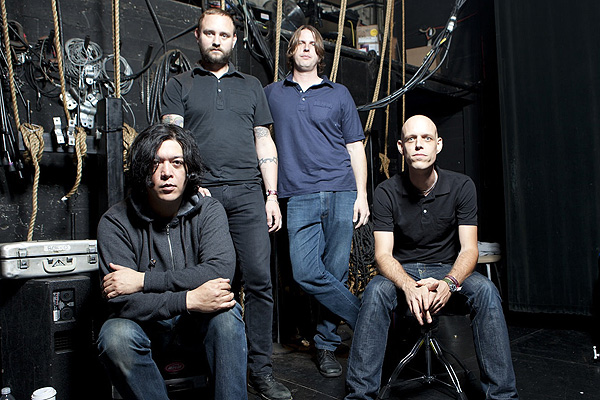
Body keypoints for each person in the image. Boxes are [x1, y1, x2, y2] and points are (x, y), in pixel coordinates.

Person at [160, 8, 291, 400]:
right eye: (209, 33)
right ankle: (214, 369)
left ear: (234, 40)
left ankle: (261, 371)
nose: (216, 40)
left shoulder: (251, 85)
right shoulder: (179, 84)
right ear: (198, 36)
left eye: (224, 34)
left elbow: (263, 140)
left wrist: (271, 195)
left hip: (249, 193)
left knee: (260, 282)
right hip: (203, 197)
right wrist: (191, 186)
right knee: (212, 283)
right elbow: (172, 142)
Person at [345, 115, 519, 399]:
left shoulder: (462, 186)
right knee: (375, 291)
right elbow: (383, 255)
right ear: (401, 147)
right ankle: (359, 396)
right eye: (411, 139)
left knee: (486, 291)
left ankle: (503, 397)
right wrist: (408, 285)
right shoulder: (386, 191)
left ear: (438, 144)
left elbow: (469, 249)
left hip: (448, 269)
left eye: (426, 138)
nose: (419, 145)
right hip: (403, 271)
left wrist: (449, 283)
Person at [96, 124, 247, 400]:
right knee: (115, 335)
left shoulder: (209, 211)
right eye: (156, 163)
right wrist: (188, 299)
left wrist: (142, 281)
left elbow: (220, 272)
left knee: (227, 314)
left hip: (196, 325)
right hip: (148, 326)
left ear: (188, 169)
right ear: (143, 170)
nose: (167, 172)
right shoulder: (115, 222)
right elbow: (122, 302)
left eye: (177, 162)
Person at [264, 25, 369, 379]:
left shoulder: (338, 93)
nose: (306, 48)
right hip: (299, 194)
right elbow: (260, 139)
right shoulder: (272, 94)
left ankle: (325, 346)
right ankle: (371, 319)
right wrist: (271, 194)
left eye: (312, 44)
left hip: (342, 190)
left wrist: (362, 195)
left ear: (320, 54)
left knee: (336, 272)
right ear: (291, 51)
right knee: (306, 271)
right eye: (300, 43)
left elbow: (355, 147)